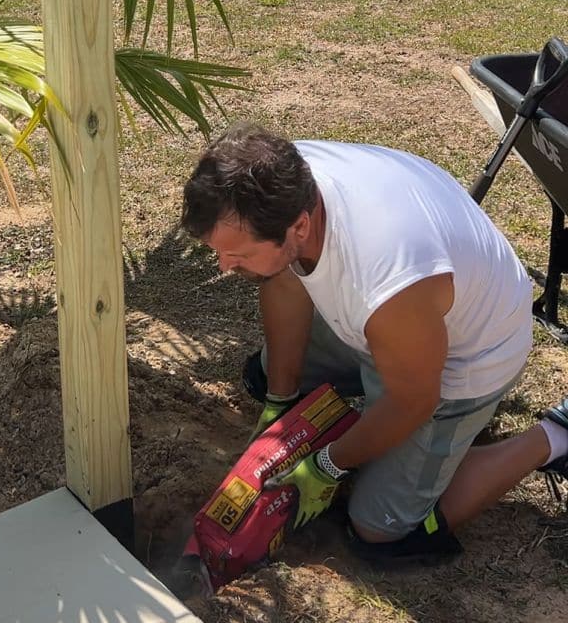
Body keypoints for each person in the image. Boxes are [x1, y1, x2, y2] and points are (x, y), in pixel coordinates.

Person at [181, 123, 568, 562]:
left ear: (300, 226)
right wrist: (280, 399)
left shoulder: (388, 276)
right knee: (266, 373)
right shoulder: (275, 182)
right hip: (384, 324)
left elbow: (415, 399)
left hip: (467, 356)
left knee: (380, 532)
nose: (224, 265)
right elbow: (284, 279)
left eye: (239, 254)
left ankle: (553, 436)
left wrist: (327, 464)